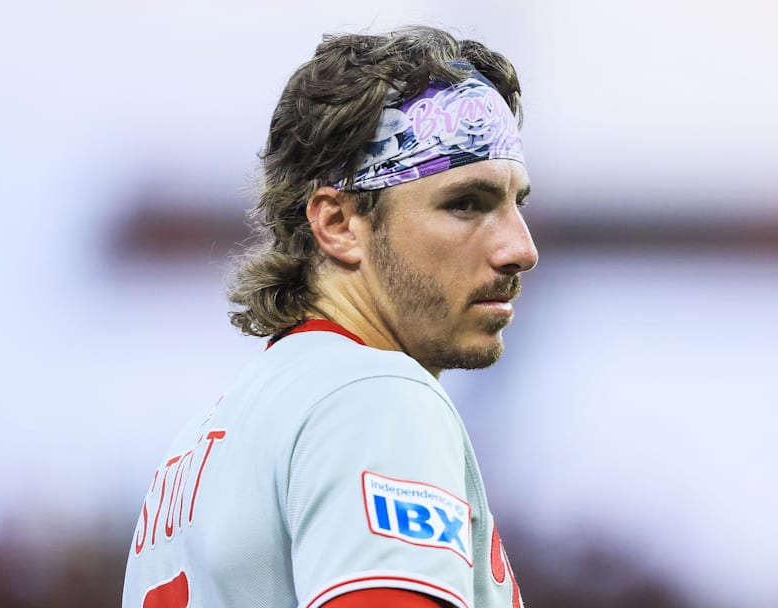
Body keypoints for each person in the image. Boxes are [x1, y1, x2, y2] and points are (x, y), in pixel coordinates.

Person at [121, 26, 536, 608]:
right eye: (465, 204)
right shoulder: (377, 399)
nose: (521, 247)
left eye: (516, 204)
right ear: (338, 224)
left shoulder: (196, 451)